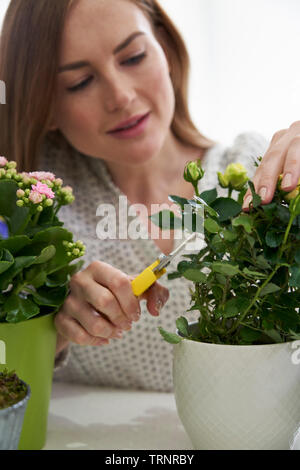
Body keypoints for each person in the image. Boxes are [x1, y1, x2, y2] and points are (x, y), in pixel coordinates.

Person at [0, 0, 299, 392]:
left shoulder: (256, 172)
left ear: (167, 51)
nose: (120, 96)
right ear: (47, 106)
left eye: (134, 56)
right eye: (79, 82)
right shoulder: (32, 213)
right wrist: (52, 330)